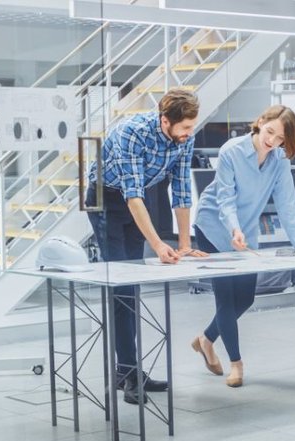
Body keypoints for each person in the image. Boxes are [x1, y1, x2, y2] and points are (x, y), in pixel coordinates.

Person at [86, 88, 206, 405]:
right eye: (184, 128)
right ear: (165, 121)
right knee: (121, 287)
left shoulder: (185, 135)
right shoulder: (132, 133)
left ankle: (128, 369)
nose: (188, 134)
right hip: (106, 199)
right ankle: (128, 374)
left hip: (138, 197)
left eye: (191, 127)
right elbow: (132, 195)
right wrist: (157, 245)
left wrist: (183, 244)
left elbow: (180, 190)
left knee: (132, 286)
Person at [191, 105, 295, 388]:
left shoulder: (279, 161)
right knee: (227, 299)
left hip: (246, 232)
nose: (272, 142)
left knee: (246, 299)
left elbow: (287, 203)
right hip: (214, 226)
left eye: (280, 139)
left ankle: (205, 340)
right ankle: (236, 364)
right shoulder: (231, 151)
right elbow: (225, 199)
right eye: (270, 132)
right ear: (260, 122)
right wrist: (234, 229)